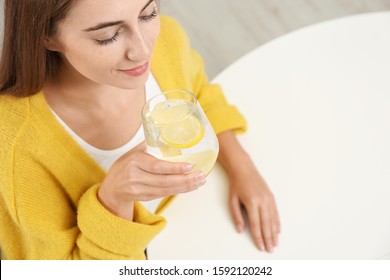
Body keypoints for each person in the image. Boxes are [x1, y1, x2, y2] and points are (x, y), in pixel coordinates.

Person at [0, 0, 280, 259]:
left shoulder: (168, 40)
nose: (144, 50)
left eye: (148, 14)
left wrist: (244, 169)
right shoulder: (16, 147)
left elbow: (199, 94)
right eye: (107, 36)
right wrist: (113, 199)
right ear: (46, 36)